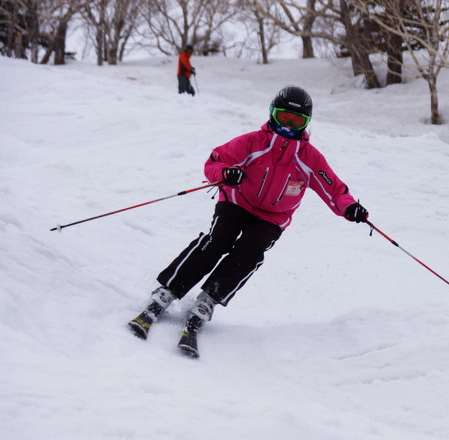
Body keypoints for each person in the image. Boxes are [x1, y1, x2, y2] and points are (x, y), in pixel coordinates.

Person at [128, 86, 369, 358]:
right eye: (283, 117)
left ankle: (208, 300)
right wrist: (226, 173)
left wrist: (350, 209)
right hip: (236, 201)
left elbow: (334, 189)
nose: (288, 125)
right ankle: (168, 291)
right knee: (217, 241)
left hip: (272, 217)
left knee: (250, 253)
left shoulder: (310, 158)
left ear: (306, 124)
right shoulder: (253, 142)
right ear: (272, 114)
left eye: (296, 121)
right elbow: (214, 162)